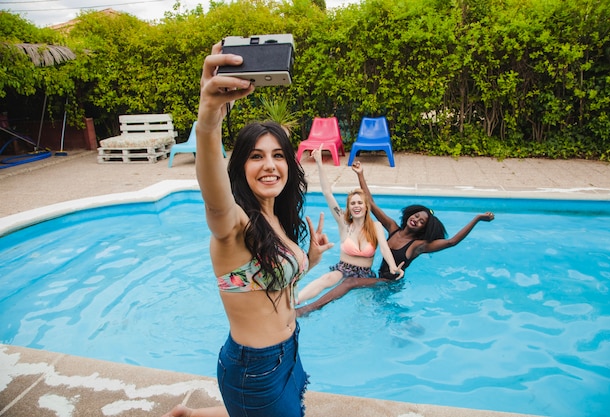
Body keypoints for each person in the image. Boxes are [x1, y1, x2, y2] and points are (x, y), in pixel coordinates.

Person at [162, 42, 332, 417]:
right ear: (239, 167)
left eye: (278, 155)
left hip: (289, 352)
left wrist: (311, 260)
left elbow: (275, 282)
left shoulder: (276, 220)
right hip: (255, 368)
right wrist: (208, 121)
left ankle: (187, 415)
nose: (269, 165)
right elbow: (214, 195)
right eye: (256, 156)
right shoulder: (233, 224)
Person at [296, 160, 495, 316]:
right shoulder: (392, 228)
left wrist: (476, 219)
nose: (416, 220)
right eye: (416, 215)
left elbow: (452, 242)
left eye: (422, 221)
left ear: (424, 228)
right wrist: (361, 175)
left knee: (351, 285)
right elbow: (370, 204)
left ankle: (309, 309)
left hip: (390, 282)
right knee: (356, 292)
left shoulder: (418, 245)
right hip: (377, 277)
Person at [296, 147, 404, 305]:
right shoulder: (344, 222)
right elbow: (327, 193)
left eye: (360, 202)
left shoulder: (376, 226)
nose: (356, 206)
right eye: (352, 203)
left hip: (365, 275)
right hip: (343, 270)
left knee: (365, 309)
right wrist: (319, 162)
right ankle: (295, 302)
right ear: (349, 207)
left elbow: (384, 248)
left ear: (366, 206)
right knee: (325, 279)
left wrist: (393, 267)